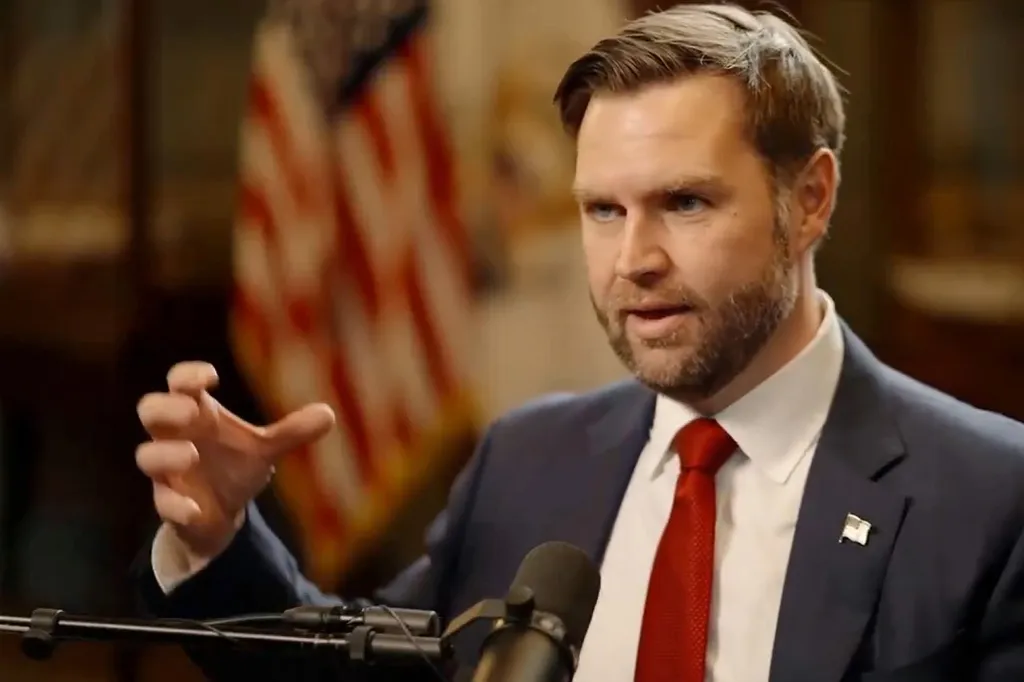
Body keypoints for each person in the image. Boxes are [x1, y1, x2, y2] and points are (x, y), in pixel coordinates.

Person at [133, 4, 1024, 682]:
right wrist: (217, 541)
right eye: (603, 210)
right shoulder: (529, 462)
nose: (632, 261)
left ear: (812, 198)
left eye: (685, 203)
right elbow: (353, 666)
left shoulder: (988, 499)